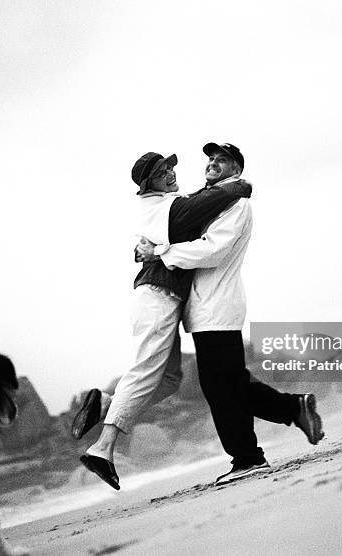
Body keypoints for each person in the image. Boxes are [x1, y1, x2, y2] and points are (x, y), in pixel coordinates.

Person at [137, 143, 324, 485]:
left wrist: (160, 253)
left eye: (221, 160)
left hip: (217, 306)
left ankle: (249, 457)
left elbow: (214, 249)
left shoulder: (236, 203)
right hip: (206, 307)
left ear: (236, 170)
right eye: (210, 158)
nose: (213, 163)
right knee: (229, 382)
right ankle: (293, 410)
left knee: (222, 386)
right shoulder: (213, 201)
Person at [75, 151, 252, 490]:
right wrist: (239, 187)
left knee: (169, 380)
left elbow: (198, 203)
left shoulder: (169, 201)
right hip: (157, 297)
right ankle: (102, 449)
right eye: (161, 173)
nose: (170, 173)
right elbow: (204, 206)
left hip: (165, 301)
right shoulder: (163, 207)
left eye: (170, 167)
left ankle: (107, 403)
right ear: (148, 185)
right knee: (145, 371)